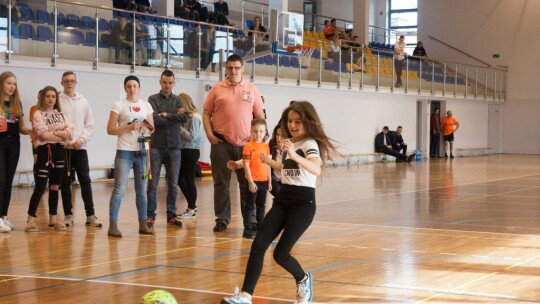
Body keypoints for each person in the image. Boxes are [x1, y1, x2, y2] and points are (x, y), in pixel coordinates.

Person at [221, 101, 340, 304]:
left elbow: (315, 169)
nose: (293, 125)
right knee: (258, 245)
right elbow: (286, 169)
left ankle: (303, 279)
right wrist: (268, 162)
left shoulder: (309, 145)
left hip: (303, 205)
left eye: (298, 122)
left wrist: (293, 153)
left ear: (308, 122)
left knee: (280, 254)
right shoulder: (289, 143)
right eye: (290, 121)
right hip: (283, 200)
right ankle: (246, 296)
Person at [202, 54, 265, 233]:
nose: (233, 71)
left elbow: (260, 116)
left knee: (247, 184)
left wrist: (258, 139)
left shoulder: (252, 89)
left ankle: (250, 219)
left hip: (246, 144)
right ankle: (222, 219)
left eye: (237, 68)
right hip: (220, 143)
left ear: (242, 69)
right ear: (226, 69)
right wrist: (209, 133)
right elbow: (206, 113)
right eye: (230, 68)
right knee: (221, 184)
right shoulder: (217, 89)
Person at [106, 75, 154, 237]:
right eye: (129, 86)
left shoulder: (146, 105)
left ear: (139, 88)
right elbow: (110, 129)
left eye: (134, 86)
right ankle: (113, 224)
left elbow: (152, 127)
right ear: (125, 89)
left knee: (142, 190)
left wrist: (146, 128)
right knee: (119, 189)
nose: (132, 89)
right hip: (125, 151)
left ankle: (143, 223)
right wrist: (128, 127)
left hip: (142, 151)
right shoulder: (118, 105)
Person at [26, 86, 73, 232]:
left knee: (55, 187)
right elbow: (43, 135)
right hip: (44, 151)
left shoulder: (61, 114)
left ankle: (53, 219)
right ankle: (30, 220)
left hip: (59, 151)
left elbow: (70, 132)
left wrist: (55, 133)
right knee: (40, 187)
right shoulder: (38, 114)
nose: (51, 99)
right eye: (48, 96)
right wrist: (61, 134)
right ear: (43, 98)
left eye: (53, 96)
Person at [58, 71, 102, 228]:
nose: (69, 83)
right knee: (65, 181)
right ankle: (68, 215)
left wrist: (81, 140)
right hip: (63, 149)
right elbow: (55, 124)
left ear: (76, 83)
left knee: (85, 180)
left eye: (72, 81)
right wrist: (64, 140)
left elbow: (90, 125)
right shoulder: (57, 101)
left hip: (80, 148)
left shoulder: (83, 102)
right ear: (62, 83)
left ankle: (90, 215)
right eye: (66, 81)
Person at [146, 70, 188, 228]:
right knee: (153, 184)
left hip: (175, 148)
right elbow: (154, 120)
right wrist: (173, 117)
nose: (167, 85)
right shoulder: (152, 99)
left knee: (173, 184)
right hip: (156, 147)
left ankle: (171, 215)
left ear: (174, 83)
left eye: (170, 82)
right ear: (160, 82)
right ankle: (150, 215)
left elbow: (184, 118)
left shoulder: (178, 100)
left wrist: (166, 115)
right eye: (165, 82)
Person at [0, 71, 32, 232]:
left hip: (14, 144)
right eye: (9, 83)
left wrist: (31, 131)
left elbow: (21, 127)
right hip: (0, 143)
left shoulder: (16, 103)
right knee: (1, 179)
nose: (12, 86)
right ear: (2, 84)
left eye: (14, 84)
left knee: (9, 181)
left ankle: (3, 216)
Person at [240, 118, 271, 239]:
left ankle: (260, 228)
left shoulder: (266, 147)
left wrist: (269, 180)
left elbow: (268, 163)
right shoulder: (248, 146)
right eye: (255, 131)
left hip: (264, 181)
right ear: (251, 131)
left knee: (261, 206)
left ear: (265, 132)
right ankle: (247, 230)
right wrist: (250, 181)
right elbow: (246, 165)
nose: (258, 134)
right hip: (253, 181)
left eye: (261, 131)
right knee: (250, 206)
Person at [177, 93, 204, 219]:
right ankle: (192, 205)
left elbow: (191, 136)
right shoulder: (185, 117)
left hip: (191, 150)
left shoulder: (194, 117)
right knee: (180, 179)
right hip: (184, 150)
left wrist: (178, 127)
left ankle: (191, 209)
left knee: (188, 179)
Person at [268, 123, 283, 198]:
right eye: (277, 134)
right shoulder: (270, 146)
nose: (279, 138)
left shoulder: (292, 148)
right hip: (273, 179)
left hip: (287, 180)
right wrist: (238, 164)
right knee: (280, 194)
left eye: (282, 135)